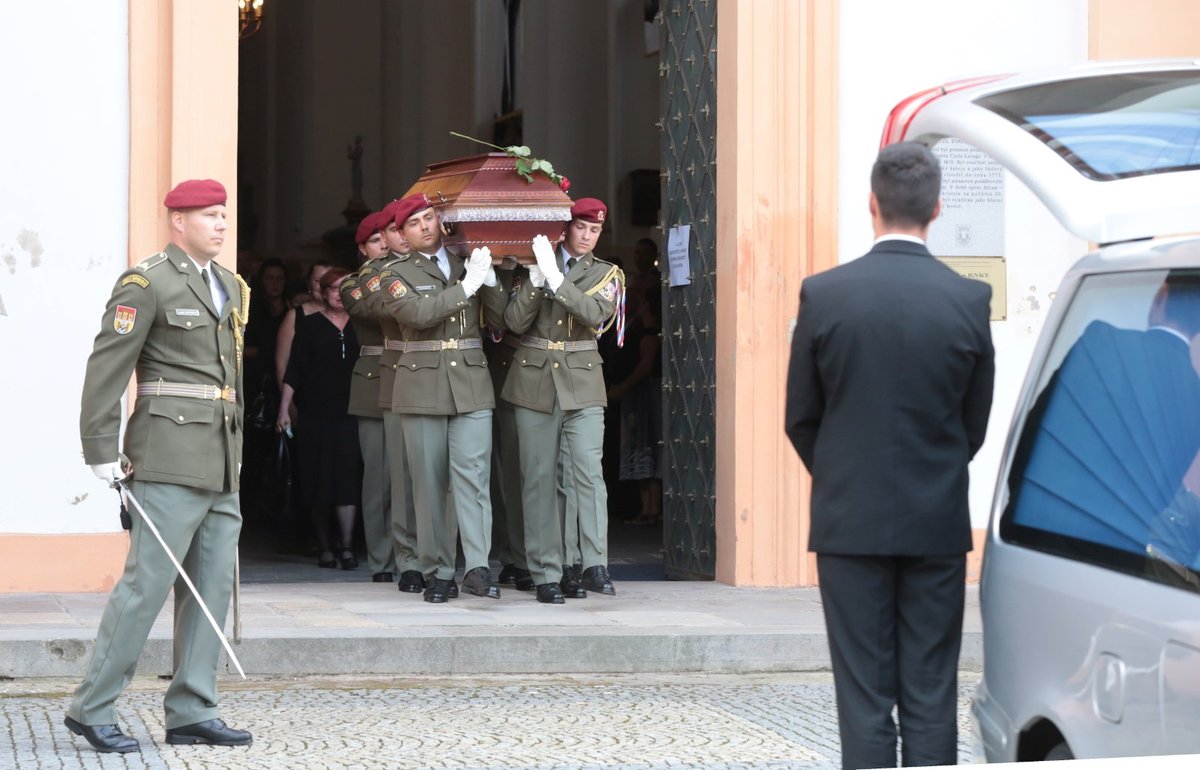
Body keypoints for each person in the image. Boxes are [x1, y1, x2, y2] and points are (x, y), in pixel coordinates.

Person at [784, 142, 994, 770]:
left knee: (865, 695)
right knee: (931, 690)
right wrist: (934, 471)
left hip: (850, 521)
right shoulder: (967, 299)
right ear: (937, 208)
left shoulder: (825, 295)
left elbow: (801, 416)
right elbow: (973, 422)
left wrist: (847, 477)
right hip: (936, 520)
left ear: (871, 204)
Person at [67, 178, 253, 753]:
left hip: (220, 457)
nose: (221, 224)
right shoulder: (146, 282)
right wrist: (100, 449)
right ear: (178, 221)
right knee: (147, 585)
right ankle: (92, 706)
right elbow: (107, 366)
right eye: (209, 215)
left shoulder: (228, 285)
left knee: (210, 586)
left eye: (224, 214)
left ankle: (193, 707)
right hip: (166, 454)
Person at [377, 193, 508, 603]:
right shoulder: (393, 273)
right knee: (429, 484)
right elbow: (417, 314)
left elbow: (503, 319)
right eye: (414, 223)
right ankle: (437, 570)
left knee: (473, 480)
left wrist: (488, 282)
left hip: (470, 383)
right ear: (401, 234)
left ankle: (478, 567)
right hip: (421, 386)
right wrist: (466, 285)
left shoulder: (465, 259)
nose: (424, 227)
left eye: (429, 218)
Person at [502, 198, 625, 604]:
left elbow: (594, 313)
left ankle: (593, 563)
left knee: (587, 474)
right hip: (534, 376)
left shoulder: (607, 273)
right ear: (566, 228)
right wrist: (538, 278)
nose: (588, 237)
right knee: (539, 478)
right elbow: (514, 323)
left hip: (583, 379)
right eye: (581, 228)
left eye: (595, 231)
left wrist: (556, 278)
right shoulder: (531, 266)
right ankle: (547, 571)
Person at [277, 267, 363, 570]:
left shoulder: (363, 325)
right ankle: (325, 546)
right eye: (334, 288)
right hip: (315, 413)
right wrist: (284, 409)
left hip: (352, 412)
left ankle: (348, 546)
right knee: (318, 479)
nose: (340, 294)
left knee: (348, 478)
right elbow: (294, 370)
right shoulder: (310, 325)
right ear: (322, 292)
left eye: (345, 288)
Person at [340, 212, 396, 582]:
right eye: (377, 240)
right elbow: (375, 311)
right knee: (378, 478)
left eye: (389, 235)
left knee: (412, 475)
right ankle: (382, 558)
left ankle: (415, 555)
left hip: (418, 378)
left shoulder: (413, 272)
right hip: (375, 379)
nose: (386, 244)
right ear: (363, 248)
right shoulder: (354, 283)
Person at [608, 284, 663, 526]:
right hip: (638, 397)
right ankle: (648, 507)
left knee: (645, 447)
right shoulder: (637, 327)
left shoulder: (649, 333)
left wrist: (622, 388)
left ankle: (652, 508)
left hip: (643, 399)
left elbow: (645, 366)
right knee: (642, 448)